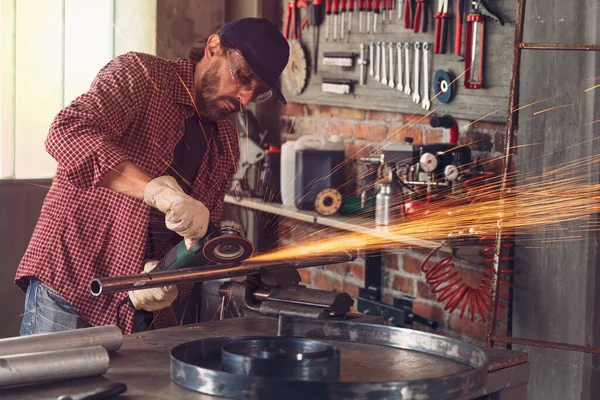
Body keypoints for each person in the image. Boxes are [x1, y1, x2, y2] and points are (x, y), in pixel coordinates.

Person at [15, 18, 290, 335]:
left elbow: (194, 242)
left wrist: (164, 275)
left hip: (138, 305)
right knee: (54, 386)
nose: (244, 100)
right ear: (214, 48)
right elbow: (67, 133)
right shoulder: (141, 76)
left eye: (258, 93)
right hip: (71, 285)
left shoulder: (226, 144)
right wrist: (154, 191)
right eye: (243, 77)